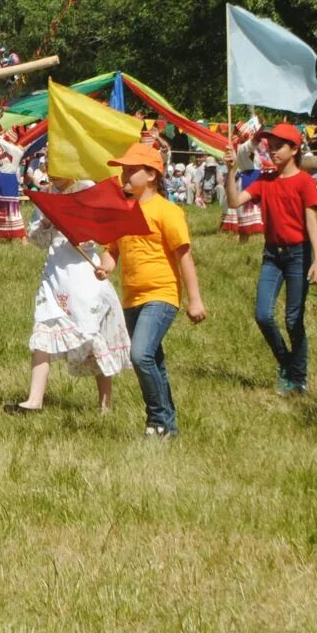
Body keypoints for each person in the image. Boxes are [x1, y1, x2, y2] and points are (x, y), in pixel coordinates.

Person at [112, 141, 207, 438]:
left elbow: (184, 256)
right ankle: (170, 424)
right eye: (123, 170)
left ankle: (158, 422)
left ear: (152, 174)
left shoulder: (167, 211)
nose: (124, 175)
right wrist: (103, 266)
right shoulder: (123, 210)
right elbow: (111, 250)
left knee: (140, 356)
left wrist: (195, 300)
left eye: (131, 170)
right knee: (154, 360)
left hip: (161, 295)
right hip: (131, 297)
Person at [6, 191, 130, 414]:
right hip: (55, 279)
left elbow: (102, 234)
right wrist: (47, 219)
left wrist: (76, 222)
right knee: (43, 332)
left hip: (84, 278)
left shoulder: (90, 190)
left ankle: (105, 405)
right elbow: (37, 240)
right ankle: (34, 401)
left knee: (93, 337)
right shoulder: (50, 198)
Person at [224, 122, 317, 395]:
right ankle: (287, 364)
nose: (273, 150)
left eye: (280, 146)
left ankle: (298, 377)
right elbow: (234, 202)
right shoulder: (264, 181)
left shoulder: (305, 182)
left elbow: (312, 222)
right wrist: (231, 170)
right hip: (272, 255)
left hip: (298, 254)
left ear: (294, 149)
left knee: (293, 319)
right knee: (263, 315)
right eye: (271, 146)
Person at [0, 134, 29, 241]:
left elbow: (17, 153)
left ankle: (22, 237)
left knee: (12, 209)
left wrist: (0, 142)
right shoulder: (0, 152)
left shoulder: (16, 151)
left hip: (9, 180)